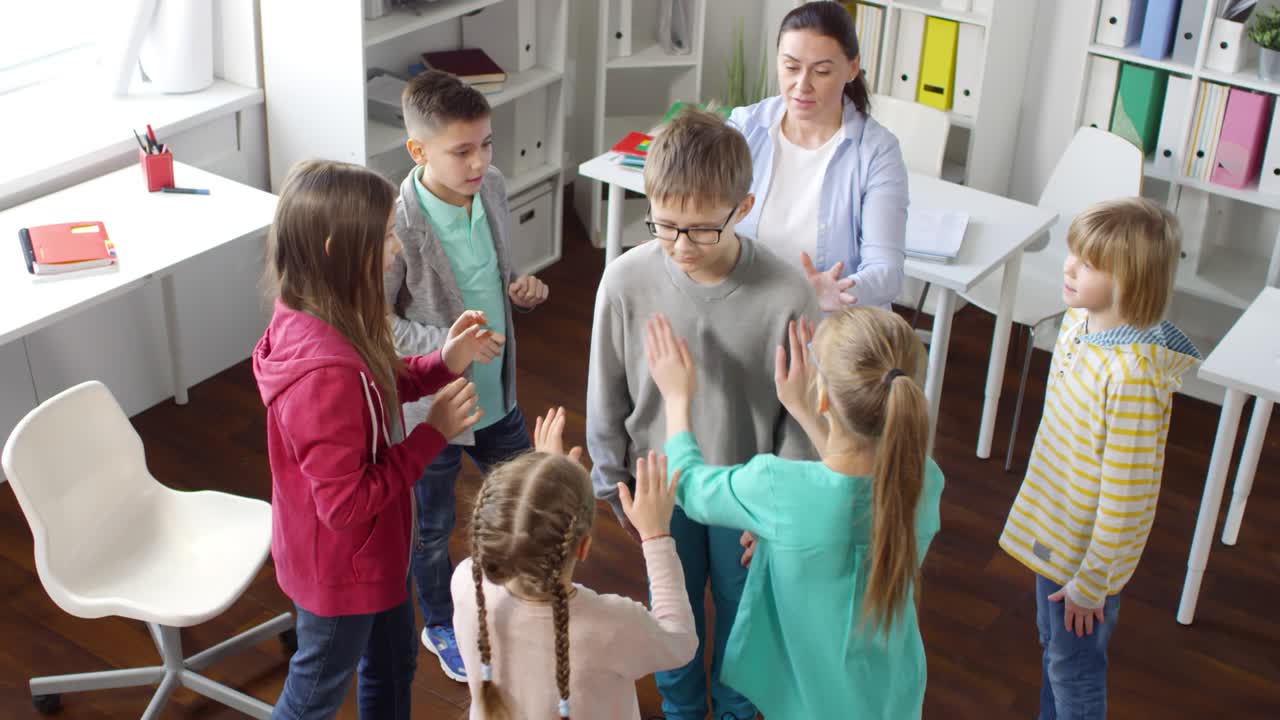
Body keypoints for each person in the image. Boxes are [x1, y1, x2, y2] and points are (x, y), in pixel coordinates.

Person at [586, 107, 820, 720]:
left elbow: (800, 417)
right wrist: (613, 486)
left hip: (748, 499)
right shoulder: (625, 281)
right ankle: (683, 712)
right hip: (663, 491)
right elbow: (605, 393)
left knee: (747, 632)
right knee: (673, 623)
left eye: (700, 229)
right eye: (664, 226)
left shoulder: (786, 292)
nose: (680, 247)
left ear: (740, 209)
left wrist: (778, 507)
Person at [254, 159, 492, 718]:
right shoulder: (323, 376)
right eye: (386, 236)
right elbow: (344, 504)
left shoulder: (322, 314)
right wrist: (431, 435)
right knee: (313, 696)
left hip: (377, 552)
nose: (396, 247)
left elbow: (378, 378)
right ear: (341, 249)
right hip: (343, 569)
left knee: (393, 665)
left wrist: (442, 361)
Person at [645, 307, 944, 718]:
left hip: (812, 698)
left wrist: (677, 398)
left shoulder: (776, 487)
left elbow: (690, 487)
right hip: (889, 692)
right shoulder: (924, 479)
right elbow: (849, 488)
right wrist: (805, 412)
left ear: (823, 396)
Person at [997, 198, 1202, 719]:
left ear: (1130, 282)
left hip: (1087, 562)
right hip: (1060, 533)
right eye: (1073, 253)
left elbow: (1127, 500)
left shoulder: (1131, 378)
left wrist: (1091, 584)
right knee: (1054, 651)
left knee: (1075, 670)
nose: (1069, 266)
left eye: (1088, 263)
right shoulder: (1077, 321)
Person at [384, 69, 550, 682]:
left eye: (486, 144)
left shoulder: (494, 186)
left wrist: (520, 291)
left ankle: (529, 606)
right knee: (430, 530)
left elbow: (494, 275)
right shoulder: (396, 226)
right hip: (434, 410)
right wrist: (452, 346)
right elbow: (378, 326)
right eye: (462, 150)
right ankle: (438, 623)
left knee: (529, 501)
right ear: (418, 151)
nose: (480, 161)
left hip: (496, 396)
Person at [453, 407, 697, 719]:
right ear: (582, 547)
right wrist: (657, 537)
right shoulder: (613, 624)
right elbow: (679, 640)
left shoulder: (465, 582)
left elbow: (517, 529)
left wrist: (541, 481)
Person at [729, 0, 908, 311]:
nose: (802, 86)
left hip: (832, 330)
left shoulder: (876, 151)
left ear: (852, 68)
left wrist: (835, 290)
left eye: (822, 71)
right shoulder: (746, 128)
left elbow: (887, 273)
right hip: (749, 317)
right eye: (791, 67)